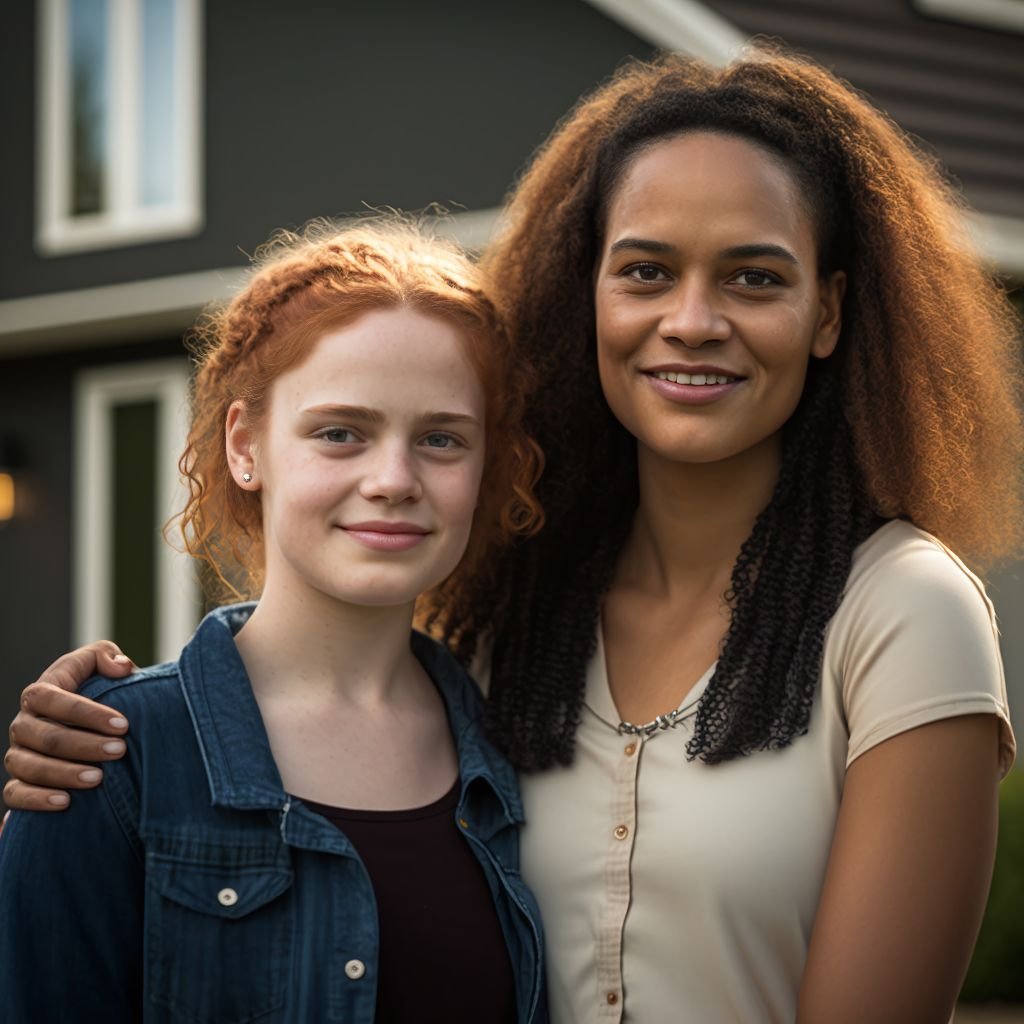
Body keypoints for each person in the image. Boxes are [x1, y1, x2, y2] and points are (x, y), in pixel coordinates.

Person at [6, 48, 1023, 1023]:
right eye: (645, 271)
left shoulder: (901, 612)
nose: (693, 319)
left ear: (828, 311)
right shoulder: (506, 617)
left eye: (755, 277)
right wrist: (119, 720)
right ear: (589, 294)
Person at [0, 219, 548, 1023]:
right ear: (246, 446)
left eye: (440, 438)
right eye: (340, 433)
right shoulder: (110, 756)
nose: (394, 478)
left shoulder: (517, 751)